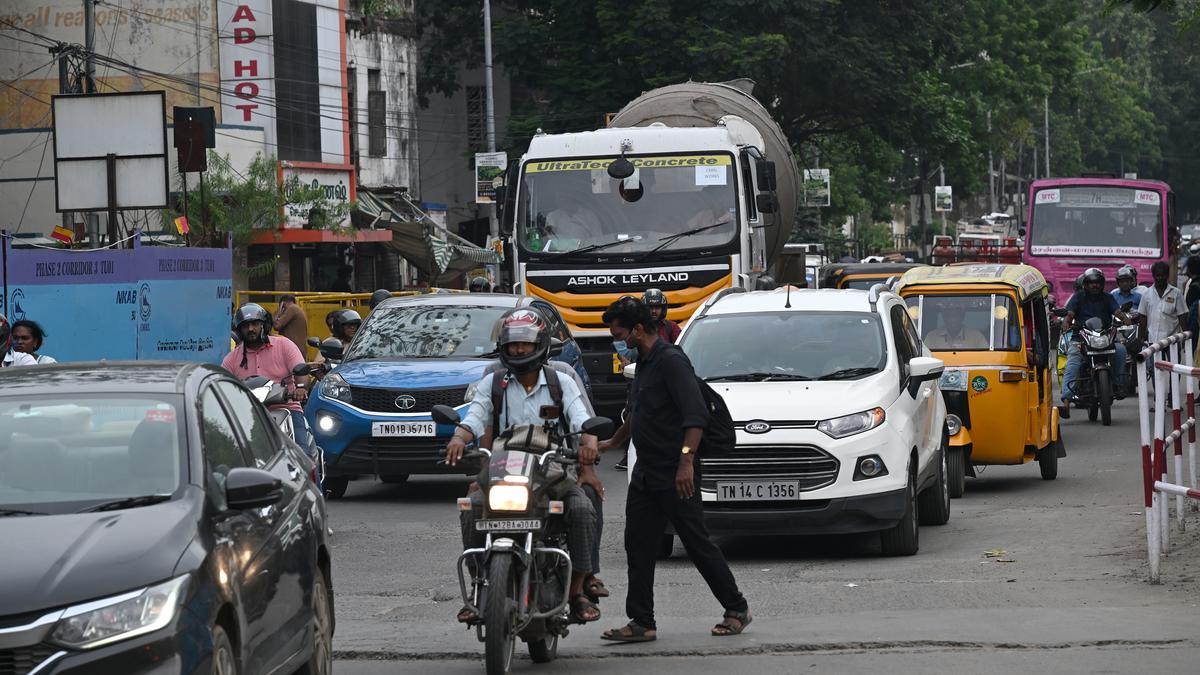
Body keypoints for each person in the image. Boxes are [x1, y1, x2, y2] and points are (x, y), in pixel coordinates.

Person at [599, 296, 750, 643]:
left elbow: (695, 414)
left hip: (674, 472)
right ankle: (641, 621)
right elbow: (639, 412)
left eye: (620, 333)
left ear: (638, 329)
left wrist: (686, 462)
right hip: (646, 474)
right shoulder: (647, 363)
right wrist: (613, 442)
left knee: (696, 542)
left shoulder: (670, 361)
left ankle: (737, 608)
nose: (618, 339)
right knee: (638, 544)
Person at [445, 307, 604, 624]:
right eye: (513, 344)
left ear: (540, 345)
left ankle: (577, 591)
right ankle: (479, 588)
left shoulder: (562, 382)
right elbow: (474, 417)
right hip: (504, 469)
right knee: (472, 506)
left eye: (526, 344)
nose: (519, 349)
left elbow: (582, 421)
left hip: (553, 468)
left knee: (583, 509)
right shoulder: (493, 384)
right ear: (504, 347)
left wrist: (588, 447)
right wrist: (459, 438)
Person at [222, 303, 312, 450]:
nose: (251, 329)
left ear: (264, 325)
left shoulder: (284, 345)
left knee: (302, 455)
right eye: (245, 325)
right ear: (239, 330)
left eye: (255, 324)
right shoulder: (232, 358)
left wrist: (301, 388)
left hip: (287, 408)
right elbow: (222, 382)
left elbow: (300, 369)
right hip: (249, 415)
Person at [1059, 268, 1129, 417]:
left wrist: (1125, 318)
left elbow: (1117, 311)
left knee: (1121, 350)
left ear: (1102, 284)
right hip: (1081, 337)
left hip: (1105, 336)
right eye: (1091, 283)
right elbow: (1070, 313)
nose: (1094, 286)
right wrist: (1066, 322)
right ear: (1086, 284)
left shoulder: (1108, 298)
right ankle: (1066, 402)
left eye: (1097, 283)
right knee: (1072, 361)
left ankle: (1117, 383)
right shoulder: (1078, 297)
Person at [923, 304, 988, 350]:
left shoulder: (977, 337)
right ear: (944, 317)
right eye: (949, 316)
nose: (953, 320)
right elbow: (924, 360)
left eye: (955, 315)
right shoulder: (931, 337)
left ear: (962, 316)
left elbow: (987, 359)